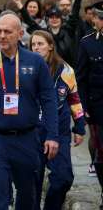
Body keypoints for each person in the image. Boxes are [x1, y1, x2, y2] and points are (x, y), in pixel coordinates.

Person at [0, 12, 59, 210]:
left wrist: (52, 135)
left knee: (27, 198)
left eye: (7, 32)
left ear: (20, 33)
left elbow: (49, 100)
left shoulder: (35, 62)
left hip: (26, 139)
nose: (1, 36)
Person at [29, 30, 86, 210]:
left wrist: (79, 126)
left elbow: (74, 99)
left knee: (63, 178)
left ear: (51, 46)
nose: (36, 48)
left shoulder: (66, 70)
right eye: (33, 45)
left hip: (59, 131)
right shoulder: (26, 68)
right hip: (32, 132)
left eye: (40, 44)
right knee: (32, 182)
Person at [76, 0, 103, 209]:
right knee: (101, 156)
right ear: (95, 20)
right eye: (100, 18)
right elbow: (82, 78)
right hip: (98, 107)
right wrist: (83, 107)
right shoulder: (87, 43)